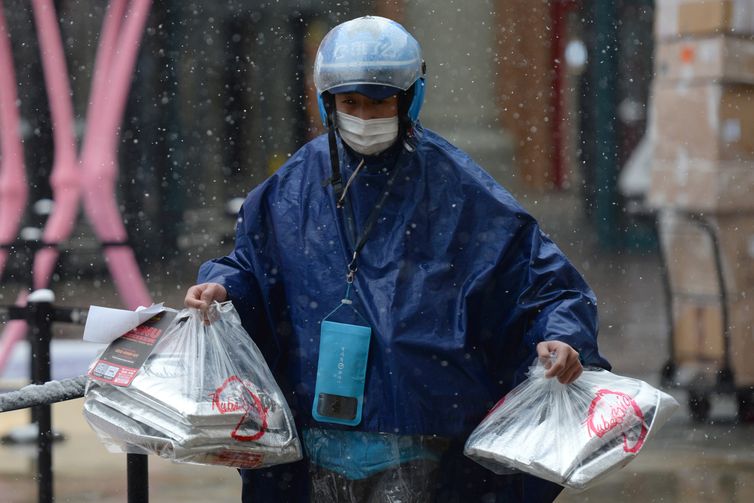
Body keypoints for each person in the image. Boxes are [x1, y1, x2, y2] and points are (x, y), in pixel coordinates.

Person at [185, 15, 610, 502]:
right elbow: (254, 266)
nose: (365, 116)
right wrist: (223, 288)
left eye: (380, 101)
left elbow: (542, 283)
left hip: (424, 440)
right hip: (314, 437)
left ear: (410, 98)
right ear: (328, 104)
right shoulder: (294, 186)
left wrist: (561, 335)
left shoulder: (460, 190)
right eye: (351, 103)